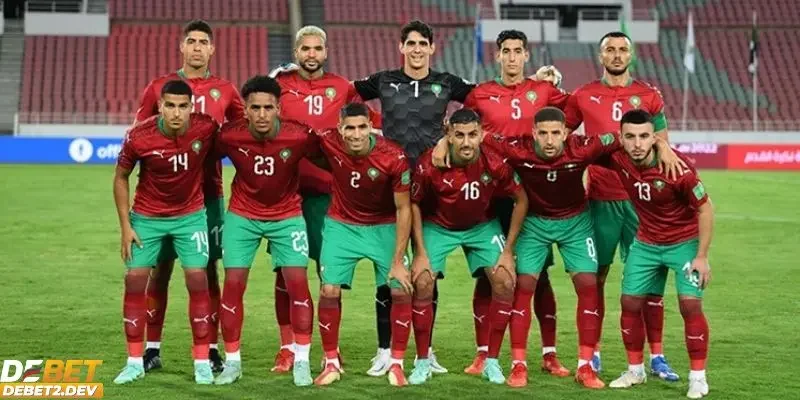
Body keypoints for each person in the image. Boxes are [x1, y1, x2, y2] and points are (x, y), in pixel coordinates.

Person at [493, 107, 682, 389]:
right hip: (535, 223)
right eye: (542, 133)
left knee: (588, 286)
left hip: (575, 223)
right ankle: (518, 365)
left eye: (555, 133)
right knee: (524, 287)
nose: (549, 140)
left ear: (566, 133)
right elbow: (481, 137)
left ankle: (585, 366)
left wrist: (662, 145)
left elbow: (625, 137)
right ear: (533, 133)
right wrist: (446, 141)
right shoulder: (518, 148)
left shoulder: (583, 147)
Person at [564, 31, 676, 378]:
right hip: (602, 200)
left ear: (630, 55)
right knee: (595, 277)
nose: (616, 55)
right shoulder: (583, 95)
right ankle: (593, 351)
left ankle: (657, 356)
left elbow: (662, 143)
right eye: (610, 50)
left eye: (622, 49)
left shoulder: (649, 95)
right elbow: (562, 135)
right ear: (601, 56)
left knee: (650, 279)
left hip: (642, 203)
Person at [134, 19, 245, 373]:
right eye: (191, 41)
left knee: (207, 271)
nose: (197, 47)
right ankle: (152, 348)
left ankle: (209, 348)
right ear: (181, 46)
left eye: (203, 42)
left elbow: (242, 134)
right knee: (160, 270)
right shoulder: (158, 88)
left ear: (212, 49)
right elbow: (139, 134)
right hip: (163, 198)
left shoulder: (226, 90)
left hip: (209, 194)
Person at [267, 25, 380, 373]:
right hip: (286, 193)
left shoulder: (342, 88)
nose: (311, 54)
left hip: (328, 194)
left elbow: (371, 124)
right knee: (285, 272)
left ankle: (331, 347)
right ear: (296, 52)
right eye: (306, 48)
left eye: (317, 48)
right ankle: (287, 347)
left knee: (327, 271)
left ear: (326, 52)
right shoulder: (279, 85)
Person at [460, 29, 570, 375]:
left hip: (532, 194)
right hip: (491, 195)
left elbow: (572, 117)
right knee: (488, 274)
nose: (511, 56)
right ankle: (483, 353)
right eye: (505, 50)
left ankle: (549, 354)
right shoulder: (480, 94)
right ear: (497, 56)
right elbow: (462, 133)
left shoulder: (544, 91)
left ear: (526, 55)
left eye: (517, 50)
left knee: (538, 276)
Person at [406, 109, 527, 386]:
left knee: (505, 281)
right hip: (438, 225)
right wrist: (420, 253)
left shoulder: (494, 163)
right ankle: (422, 361)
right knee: (422, 282)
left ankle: (491, 361)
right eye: (459, 135)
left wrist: (508, 251)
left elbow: (521, 199)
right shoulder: (429, 164)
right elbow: (413, 203)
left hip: (482, 226)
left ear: (481, 134)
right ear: (448, 135)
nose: (466, 142)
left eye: (472, 135)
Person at [211, 76, 316, 386]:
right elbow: (199, 152)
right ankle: (232, 363)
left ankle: (302, 361)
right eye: (254, 108)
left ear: (278, 109)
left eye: (268, 108)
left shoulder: (298, 135)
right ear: (245, 109)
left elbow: (332, 158)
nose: (261, 114)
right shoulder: (230, 135)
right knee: (233, 285)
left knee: (298, 284)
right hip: (242, 216)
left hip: (287, 216)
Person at [112, 80, 219, 384]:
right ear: (160, 106)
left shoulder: (206, 127)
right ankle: (134, 362)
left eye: (183, 106)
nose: (176, 113)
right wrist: (126, 227)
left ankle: (202, 362)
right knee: (135, 281)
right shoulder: (139, 136)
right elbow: (120, 177)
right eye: (170, 105)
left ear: (191, 107)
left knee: (198, 280)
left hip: (190, 217)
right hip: (147, 217)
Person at [605, 110, 712, 399]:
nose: (637, 143)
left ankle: (698, 378)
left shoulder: (678, 168)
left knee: (690, 306)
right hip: (646, 242)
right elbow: (588, 148)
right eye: (630, 137)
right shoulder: (618, 158)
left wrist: (701, 256)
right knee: (629, 302)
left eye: (644, 136)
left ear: (654, 137)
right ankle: (635, 371)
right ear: (621, 138)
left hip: (683, 243)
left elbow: (705, 209)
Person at [312, 103, 413, 386]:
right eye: (349, 128)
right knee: (328, 290)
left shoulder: (393, 157)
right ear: (340, 128)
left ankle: (396, 363)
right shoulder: (328, 141)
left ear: (370, 127)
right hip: (342, 224)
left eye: (361, 127)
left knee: (400, 289)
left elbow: (404, 208)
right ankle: (331, 362)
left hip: (384, 226)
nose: (356, 135)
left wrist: (398, 260)